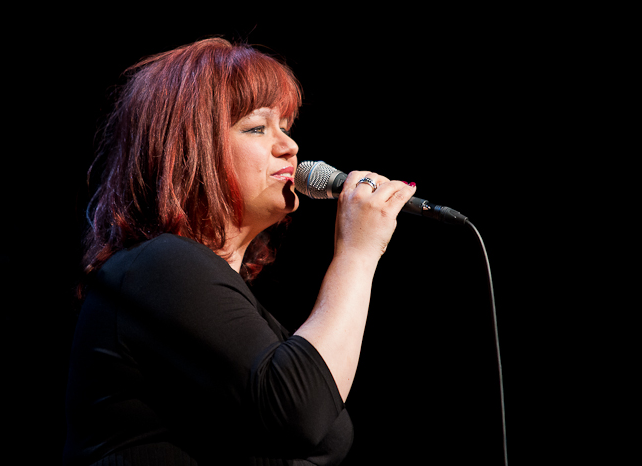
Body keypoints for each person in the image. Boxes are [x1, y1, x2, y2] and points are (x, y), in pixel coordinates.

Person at [64, 37, 417, 466]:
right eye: (256, 128)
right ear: (190, 152)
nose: (289, 146)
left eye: (285, 126)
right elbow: (299, 409)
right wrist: (357, 254)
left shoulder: (229, 306)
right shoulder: (157, 265)